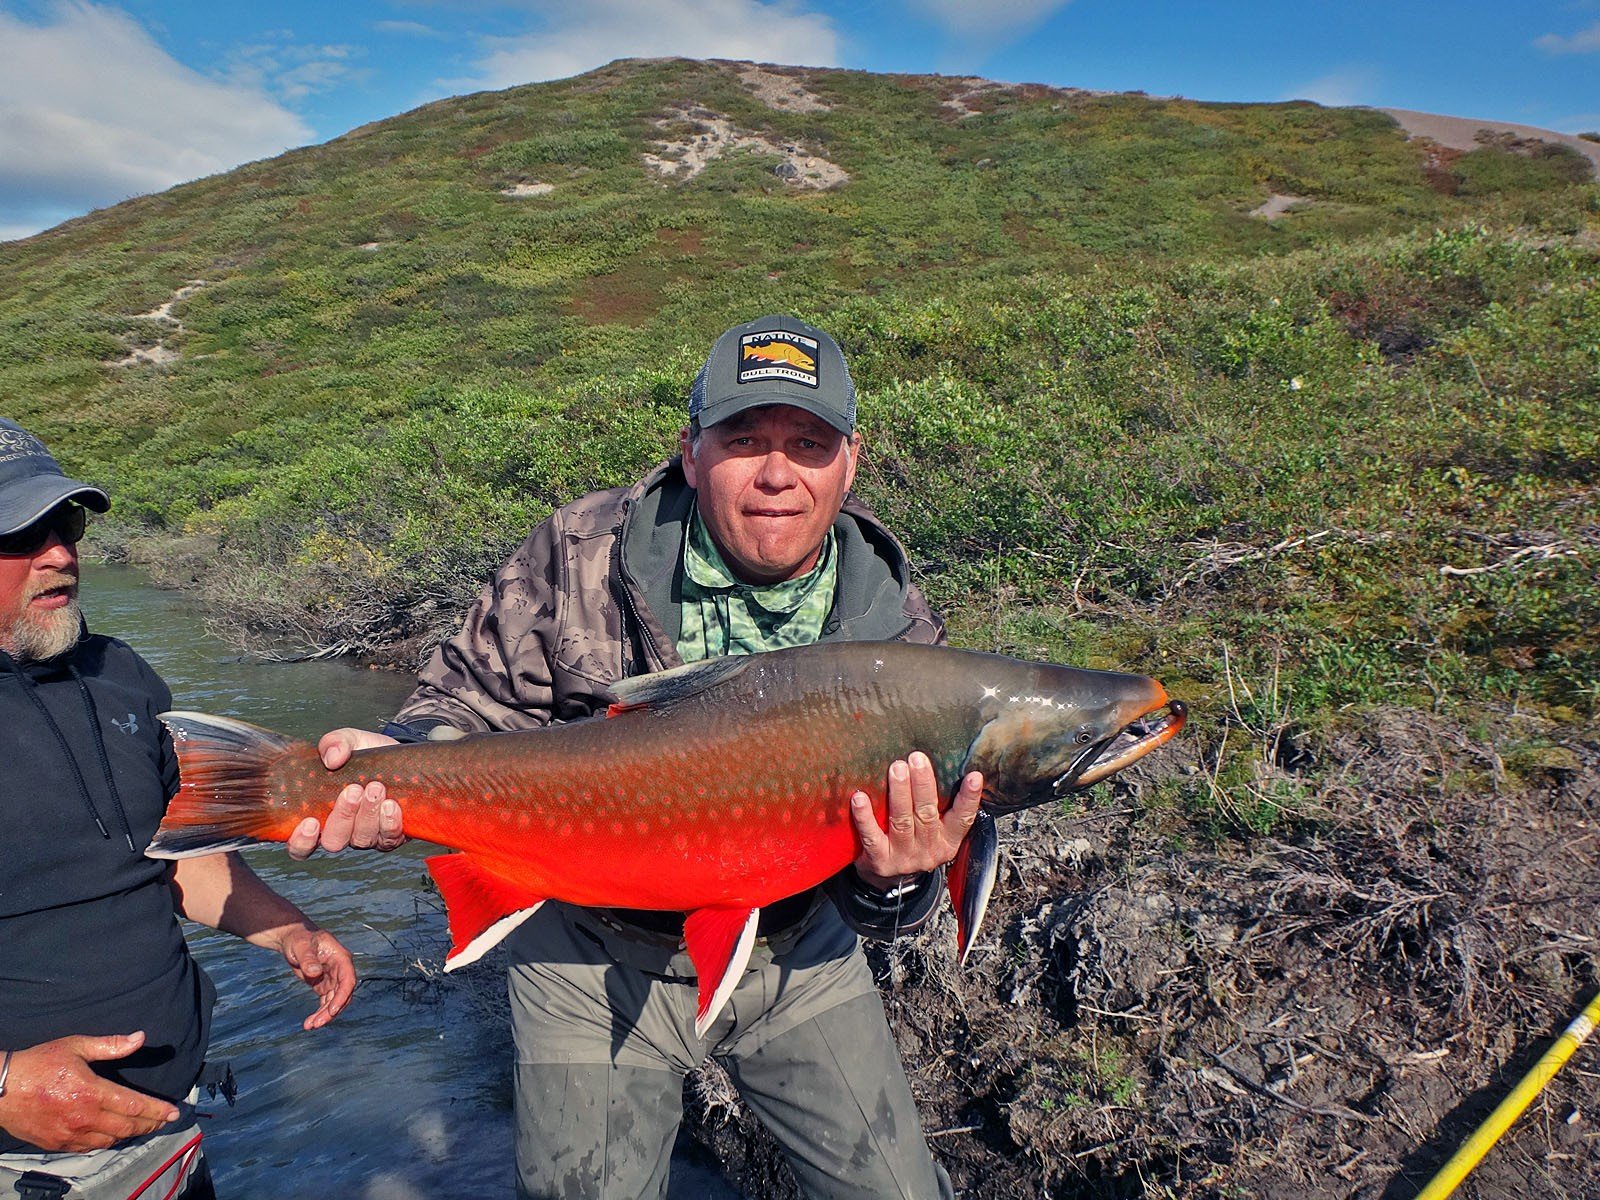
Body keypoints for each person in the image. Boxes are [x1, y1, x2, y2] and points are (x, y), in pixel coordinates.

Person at [295, 315, 982, 1199]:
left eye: (808, 443)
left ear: (851, 461)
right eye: (744, 439)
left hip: (798, 947)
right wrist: (390, 761)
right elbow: (458, 704)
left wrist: (894, 882)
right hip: (586, 952)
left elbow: (893, 898)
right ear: (691, 451)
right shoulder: (580, 551)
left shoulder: (897, 630)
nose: (777, 473)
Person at [0, 418, 357, 1199]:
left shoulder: (119, 674)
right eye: (20, 533)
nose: (60, 553)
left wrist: (287, 930)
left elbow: (174, 855)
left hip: (170, 1136)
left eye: (67, 524)